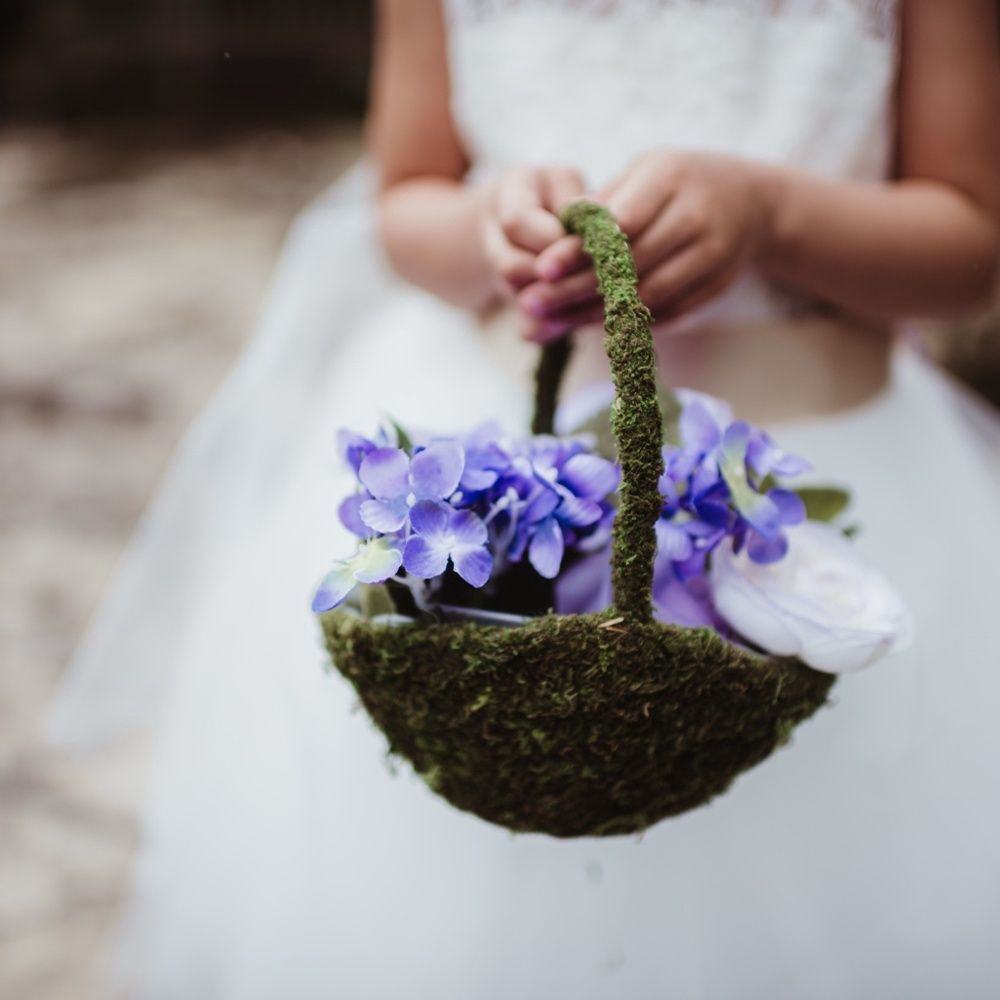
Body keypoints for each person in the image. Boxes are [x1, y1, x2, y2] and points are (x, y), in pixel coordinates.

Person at [50, 1, 1000, 997]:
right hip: (505, 444)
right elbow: (405, 201)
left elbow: (969, 241)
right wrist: (483, 228)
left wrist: (774, 216)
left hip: (792, 467)